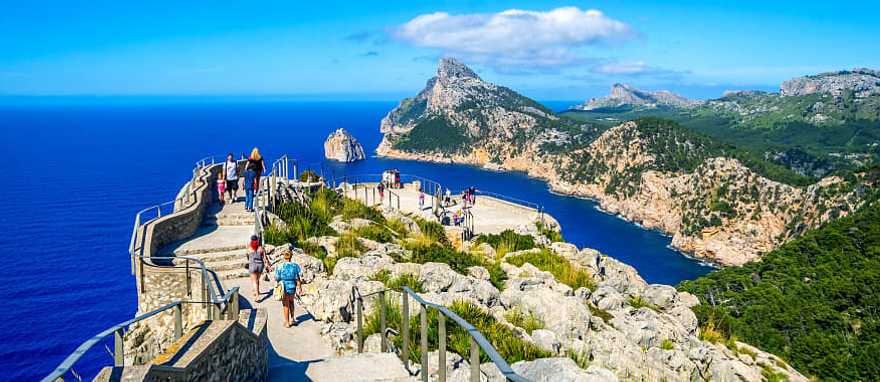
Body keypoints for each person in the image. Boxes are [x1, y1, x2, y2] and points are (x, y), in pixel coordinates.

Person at [274, 250, 303, 328]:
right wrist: (299, 287)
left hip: (284, 287)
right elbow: (298, 277)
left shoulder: (280, 266)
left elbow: (277, 278)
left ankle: (287, 322)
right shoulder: (295, 266)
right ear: (291, 256)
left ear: (284, 257)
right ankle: (292, 318)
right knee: (291, 302)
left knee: (285, 305)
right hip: (292, 287)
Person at [247, 235, 271, 299]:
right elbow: (265, 258)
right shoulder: (261, 248)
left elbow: (247, 257)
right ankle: (257, 291)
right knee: (257, 280)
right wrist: (267, 265)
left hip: (252, 265)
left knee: (254, 281)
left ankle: (257, 296)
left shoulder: (249, 248)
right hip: (260, 266)